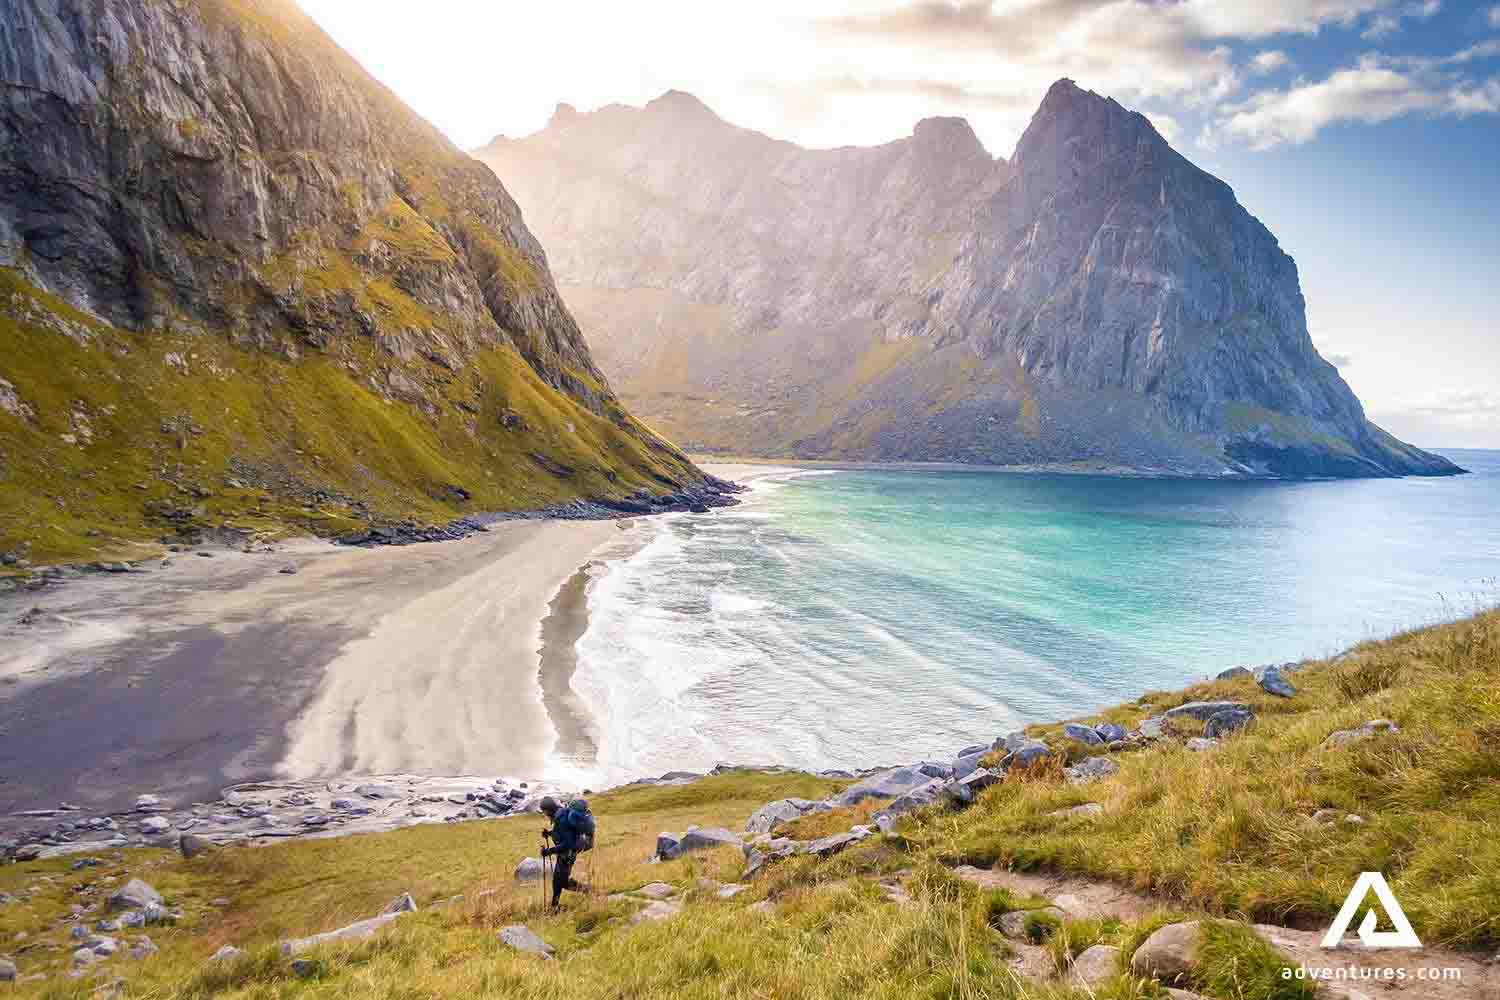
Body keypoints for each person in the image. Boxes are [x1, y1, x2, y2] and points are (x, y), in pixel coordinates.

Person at [539, 795, 594, 909]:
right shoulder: (560, 814)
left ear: (548, 810)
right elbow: (562, 833)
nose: (544, 814)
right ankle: (555, 906)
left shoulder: (561, 819)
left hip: (568, 854)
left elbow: (567, 843)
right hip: (565, 853)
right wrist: (549, 833)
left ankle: (589, 890)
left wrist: (549, 851)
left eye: (544, 811)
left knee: (562, 882)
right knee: (557, 880)